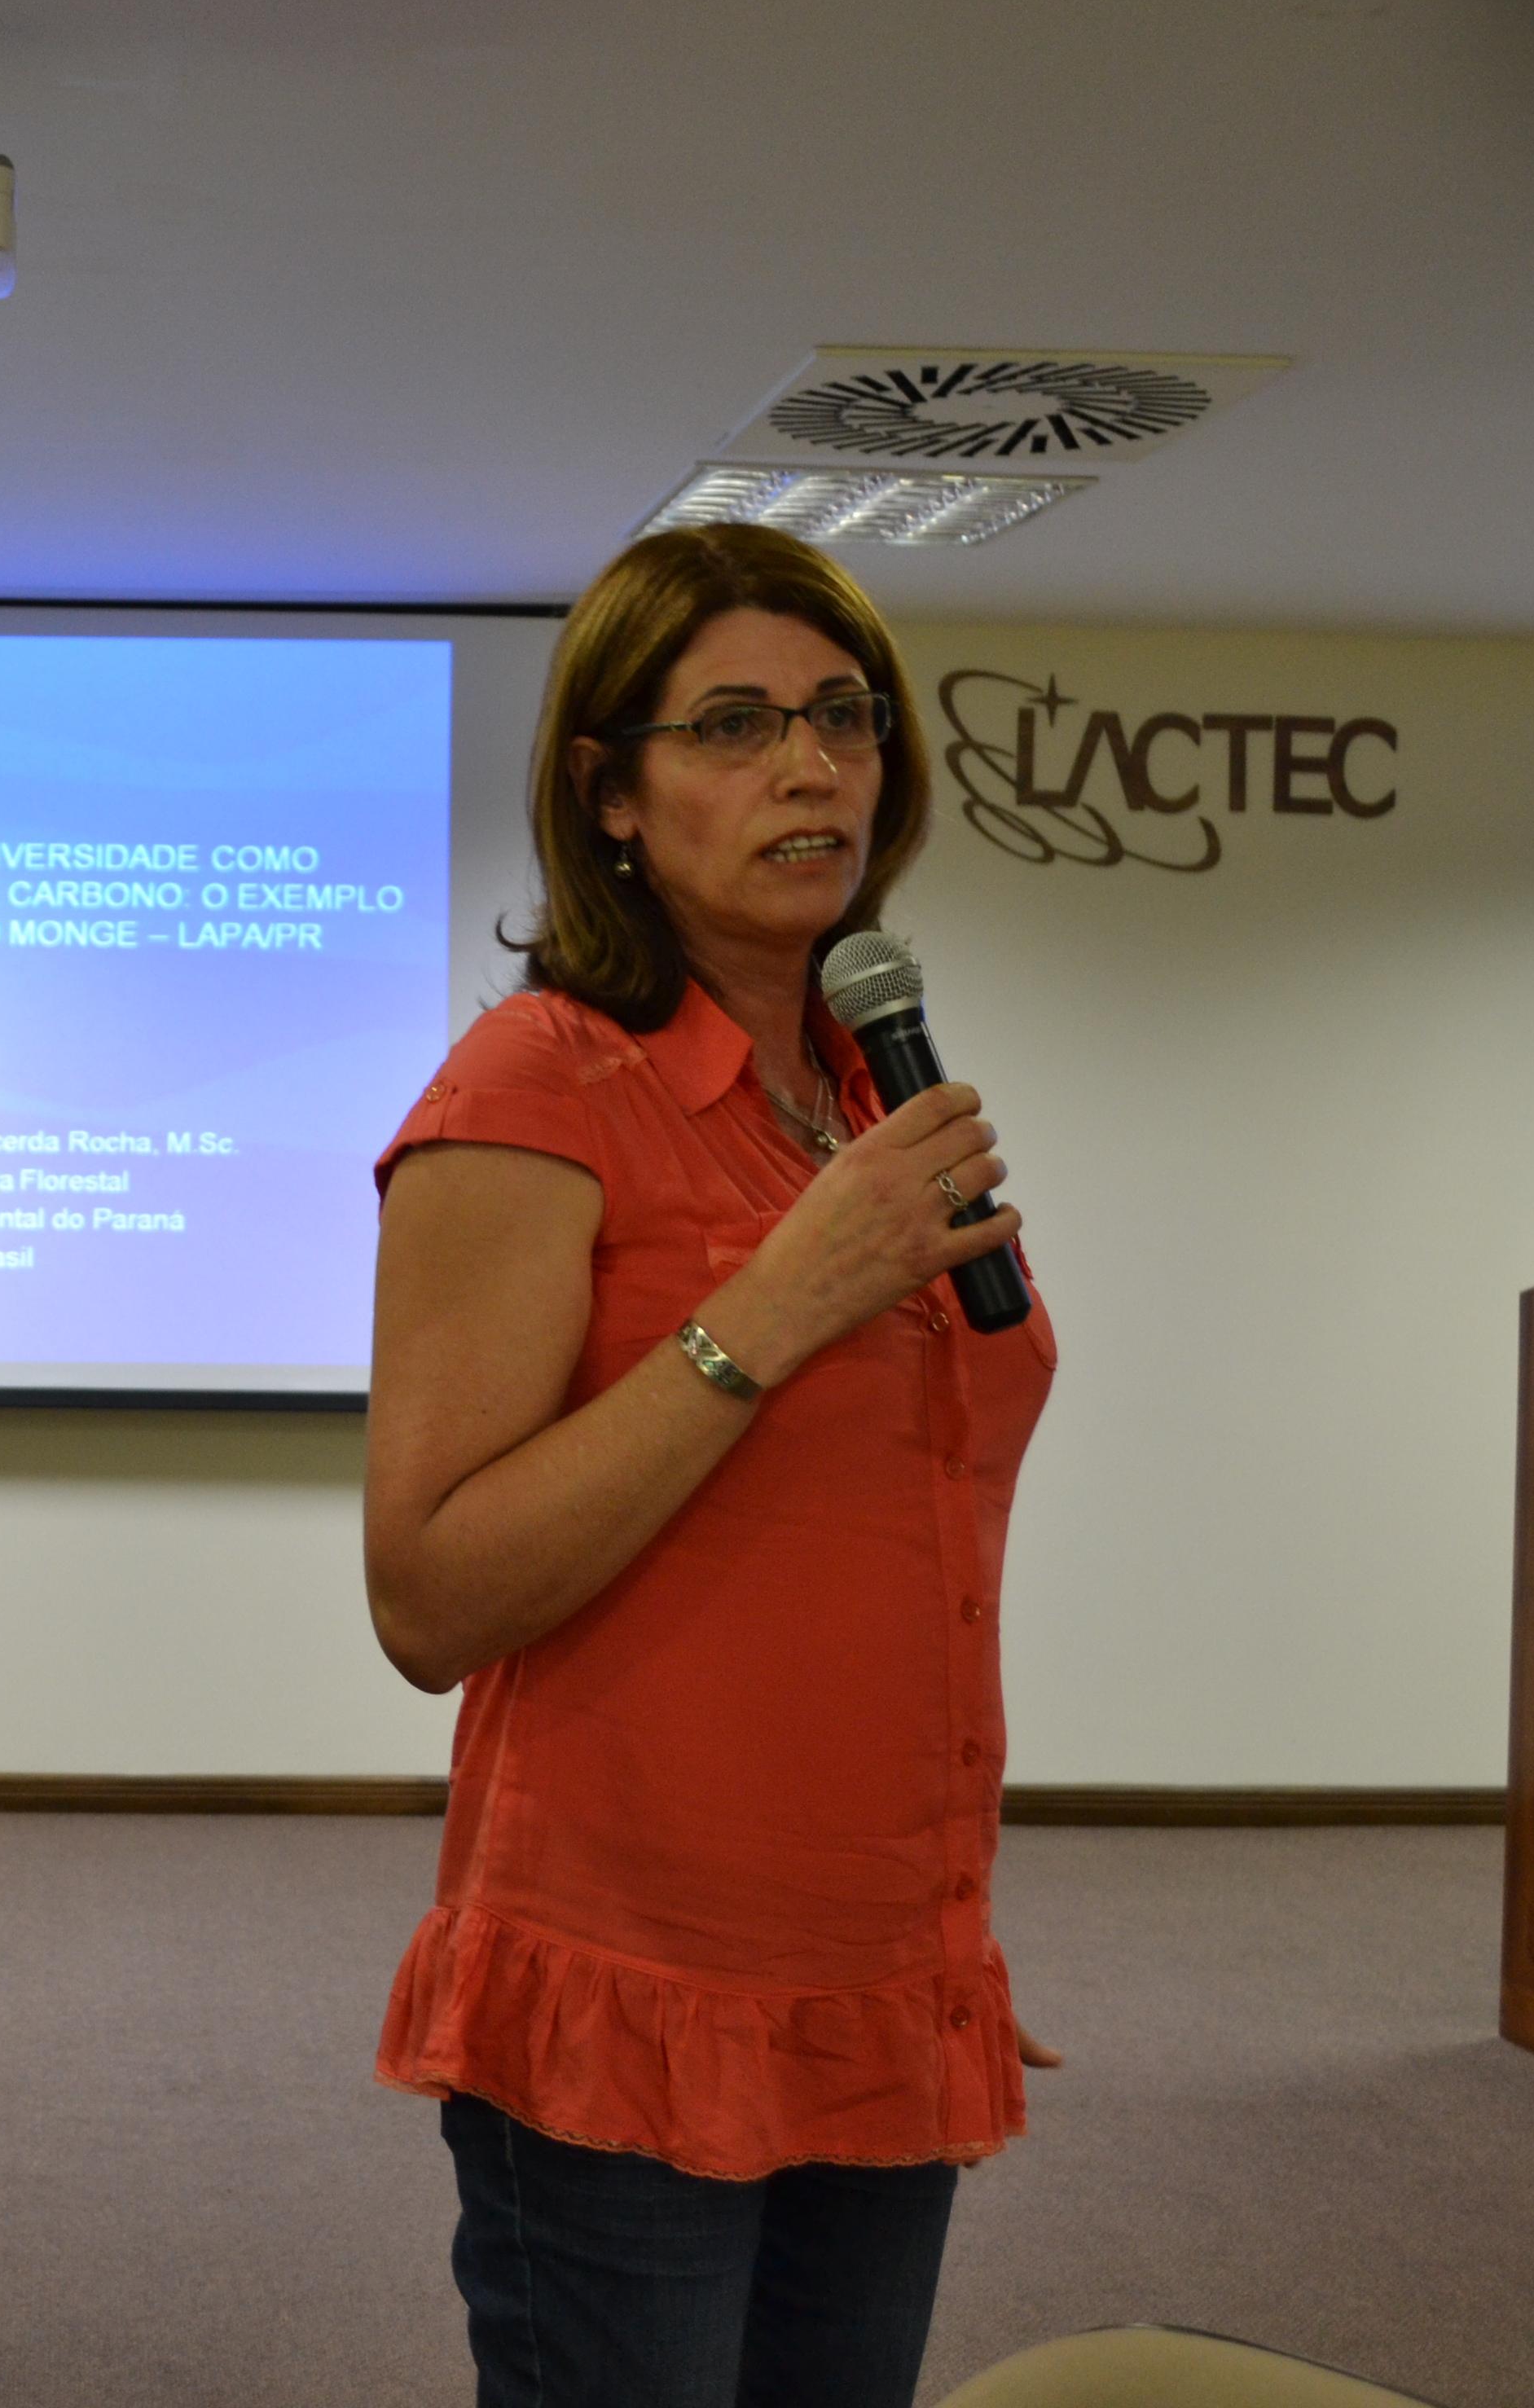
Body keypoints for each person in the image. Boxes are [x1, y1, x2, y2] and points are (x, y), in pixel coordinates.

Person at [363, 523, 1057, 2407]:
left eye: (844, 718)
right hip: (637, 1976)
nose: (812, 767)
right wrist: (770, 1306)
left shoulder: (871, 1087)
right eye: (736, 724)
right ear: (610, 794)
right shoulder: (535, 1087)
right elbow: (430, 1595)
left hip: (879, 1953)